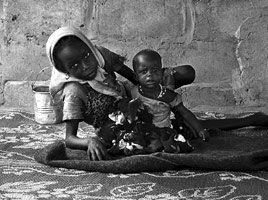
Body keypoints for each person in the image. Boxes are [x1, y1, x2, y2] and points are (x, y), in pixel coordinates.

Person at [46, 27, 196, 161]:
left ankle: (169, 108)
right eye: (74, 65)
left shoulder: (100, 55)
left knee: (185, 72)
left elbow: (134, 77)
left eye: (86, 56)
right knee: (140, 140)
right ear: (65, 71)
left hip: (131, 96)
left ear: (90, 48)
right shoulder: (73, 92)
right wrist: (89, 141)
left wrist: (165, 99)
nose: (85, 66)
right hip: (115, 125)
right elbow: (69, 139)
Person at [131, 49, 268, 140]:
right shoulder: (134, 91)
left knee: (196, 126)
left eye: (155, 71)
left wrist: (198, 128)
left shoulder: (165, 95)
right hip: (146, 127)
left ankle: (253, 119)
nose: (149, 75)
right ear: (137, 76)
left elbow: (184, 112)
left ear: (161, 72)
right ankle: (254, 119)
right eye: (144, 72)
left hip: (164, 127)